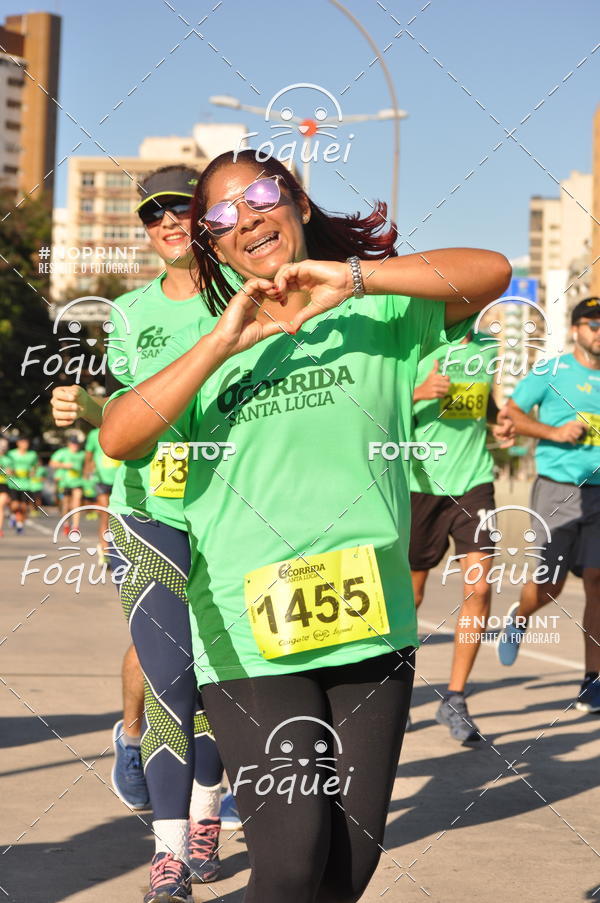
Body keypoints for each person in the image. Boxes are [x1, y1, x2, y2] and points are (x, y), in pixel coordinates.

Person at [100, 149, 511, 903]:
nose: (247, 218)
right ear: (212, 243)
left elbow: (491, 272)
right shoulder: (206, 334)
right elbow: (120, 436)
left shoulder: (378, 311)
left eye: (263, 194)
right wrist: (222, 342)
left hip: (371, 623)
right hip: (249, 630)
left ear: (300, 203)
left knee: (345, 871)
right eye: (221, 215)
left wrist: (353, 277)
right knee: (290, 865)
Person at [51, 165, 228, 902]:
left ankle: (208, 812)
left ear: (208, 216)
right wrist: (86, 411)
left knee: (222, 681)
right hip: (147, 511)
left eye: (180, 209)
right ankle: (170, 856)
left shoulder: (246, 295)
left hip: (234, 513)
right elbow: (126, 413)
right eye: (153, 215)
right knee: (171, 680)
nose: (167, 224)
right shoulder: (129, 314)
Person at [409, 331, 514, 742]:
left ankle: (454, 698)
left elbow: (483, 401)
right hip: (420, 483)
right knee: (410, 595)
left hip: (474, 482)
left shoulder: (488, 347)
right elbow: (375, 408)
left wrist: (499, 420)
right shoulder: (417, 341)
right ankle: (395, 688)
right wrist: (418, 392)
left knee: (480, 589)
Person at [497, 296, 600, 714]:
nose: (599, 332)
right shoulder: (551, 371)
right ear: (575, 330)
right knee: (550, 585)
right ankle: (520, 616)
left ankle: (592, 680)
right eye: (593, 324)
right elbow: (511, 414)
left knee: (597, 581)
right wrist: (554, 433)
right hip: (558, 490)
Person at [84, 427, 121, 562]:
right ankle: (105, 551)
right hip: (101, 479)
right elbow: (88, 456)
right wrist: (87, 473)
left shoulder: (122, 428)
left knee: (118, 516)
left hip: (119, 478)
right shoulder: (94, 434)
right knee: (106, 513)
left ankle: (117, 548)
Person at [49, 436, 85, 536]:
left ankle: (75, 527)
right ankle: (66, 523)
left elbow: (87, 465)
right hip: (64, 482)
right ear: (69, 444)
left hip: (78, 482)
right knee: (66, 505)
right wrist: (64, 465)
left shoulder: (82, 454)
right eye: (73, 444)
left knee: (76, 503)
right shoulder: (62, 453)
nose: (75, 446)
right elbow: (52, 463)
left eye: (76, 444)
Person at [5, 437, 38, 533]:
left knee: (23, 506)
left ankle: (20, 525)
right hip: (14, 484)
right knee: (15, 505)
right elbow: (7, 465)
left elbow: (35, 466)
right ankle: (13, 515)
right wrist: (9, 471)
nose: (25, 445)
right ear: (18, 443)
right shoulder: (11, 454)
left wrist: (33, 472)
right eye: (23, 442)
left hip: (26, 484)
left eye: (26, 442)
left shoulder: (32, 455)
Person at [0, 438, 12, 536]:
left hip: (3, 484)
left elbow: (10, 473)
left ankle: (0, 529)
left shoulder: (8, 459)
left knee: (0, 506)